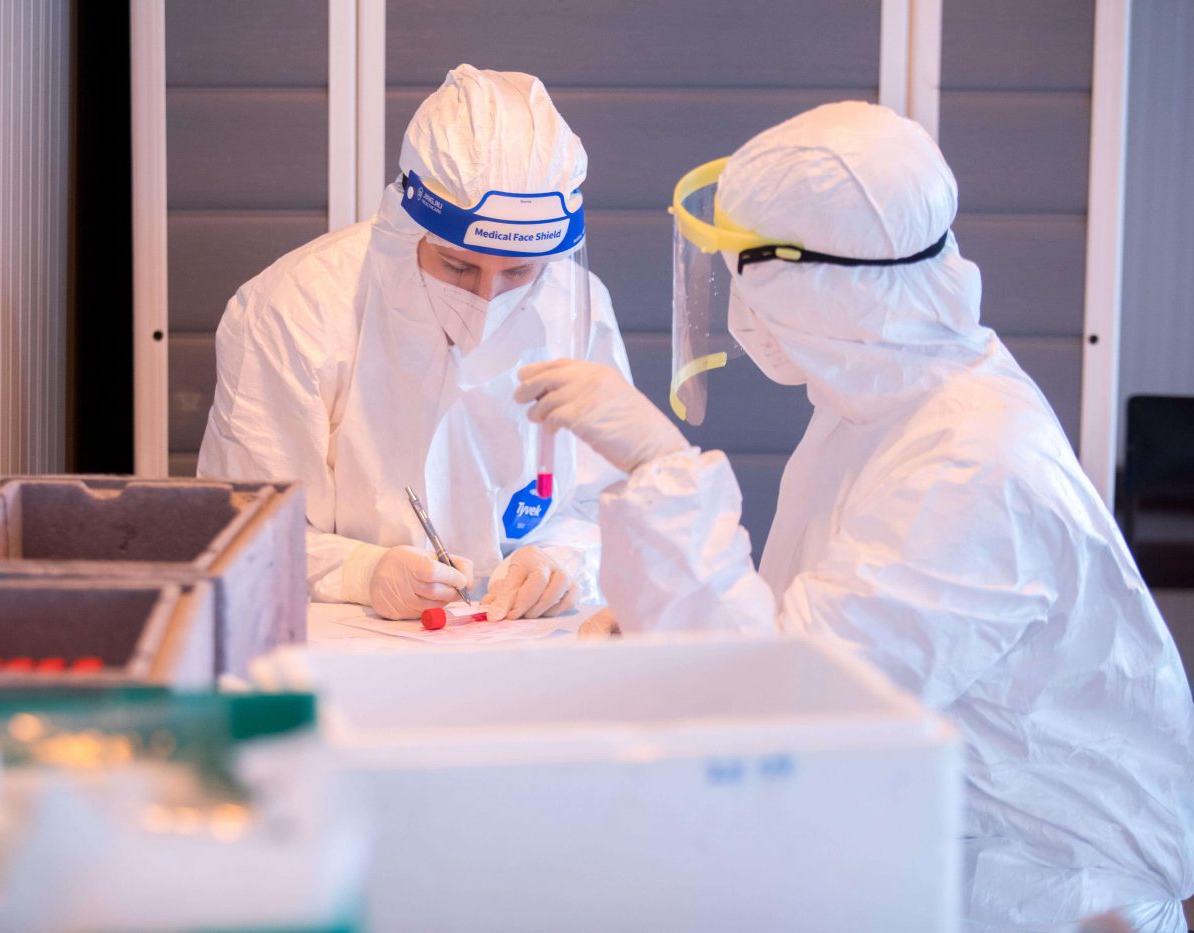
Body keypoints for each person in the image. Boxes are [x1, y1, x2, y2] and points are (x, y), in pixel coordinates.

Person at [518, 102, 1194, 931]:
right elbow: (809, 625)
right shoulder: (883, 400)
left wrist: (663, 469)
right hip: (944, 855)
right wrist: (663, 628)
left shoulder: (974, 466)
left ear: (822, 288)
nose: (739, 309)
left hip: (1042, 903)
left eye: (744, 276)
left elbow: (805, 701)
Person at [199, 65, 631, 622]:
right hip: (344, 638)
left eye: (519, 272)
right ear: (409, 225)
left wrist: (566, 561)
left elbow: (612, 502)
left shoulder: (577, 307)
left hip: (526, 639)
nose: (487, 299)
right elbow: (240, 527)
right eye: (457, 266)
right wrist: (361, 572)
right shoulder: (295, 308)